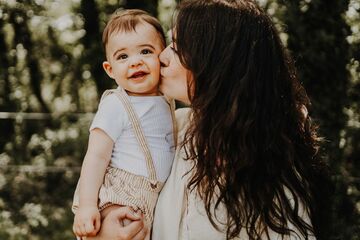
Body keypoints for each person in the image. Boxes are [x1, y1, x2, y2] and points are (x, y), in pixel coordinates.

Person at [93, 0, 330, 239]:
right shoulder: (173, 129)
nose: (161, 57)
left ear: (217, 63)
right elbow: (98, 174)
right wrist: (103, 229)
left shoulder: (271, 171)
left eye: (176, 47)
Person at [71, 9, 176, 239]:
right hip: (122, 197)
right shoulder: (116, 105)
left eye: (146, 51)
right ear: (110, 69)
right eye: (122, 57)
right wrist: (87, 205)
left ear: (162, 58)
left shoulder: (167, 99)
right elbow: (96, 157)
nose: (135, 61)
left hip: (156, 198)